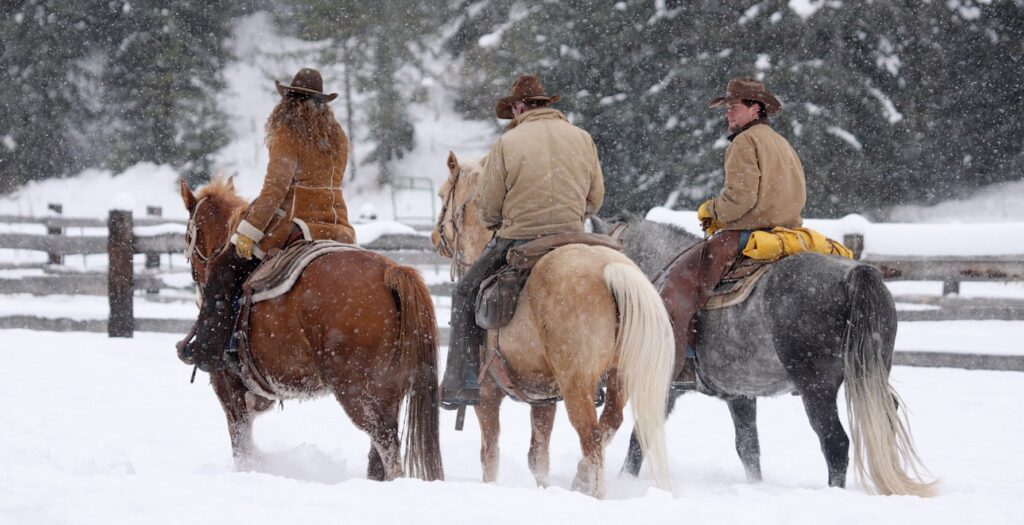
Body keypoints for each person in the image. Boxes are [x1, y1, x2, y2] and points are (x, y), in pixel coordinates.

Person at [440, 74, 605, 409]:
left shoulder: (507, 144)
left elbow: (487, 207)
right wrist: (570, 216)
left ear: (518, 108)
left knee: (464, 292)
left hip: (520, 237)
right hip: (574, 235)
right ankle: (599, 374)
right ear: (545, 105)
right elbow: (596, 199)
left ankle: (465, 380)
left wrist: (501, 221)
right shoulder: (582, 137)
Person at [180, 68, 356, 373]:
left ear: (289, 100)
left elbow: (274, 191)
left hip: (297, 226)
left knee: (223, 269)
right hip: (338, 227)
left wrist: (247, 232)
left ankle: (209, 351)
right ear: (321, 103)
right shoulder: (337, 137)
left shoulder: (289, 133)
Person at [661, 77, 806, 386]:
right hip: (788, 234)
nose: (728, 114)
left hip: (747, 234)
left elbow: (740, 199)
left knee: (679, 284)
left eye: (734, 107)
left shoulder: (744, 142)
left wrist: (712, 211)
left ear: (755, 109)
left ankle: (682, 359)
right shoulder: (781, 142)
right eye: (727, 108)